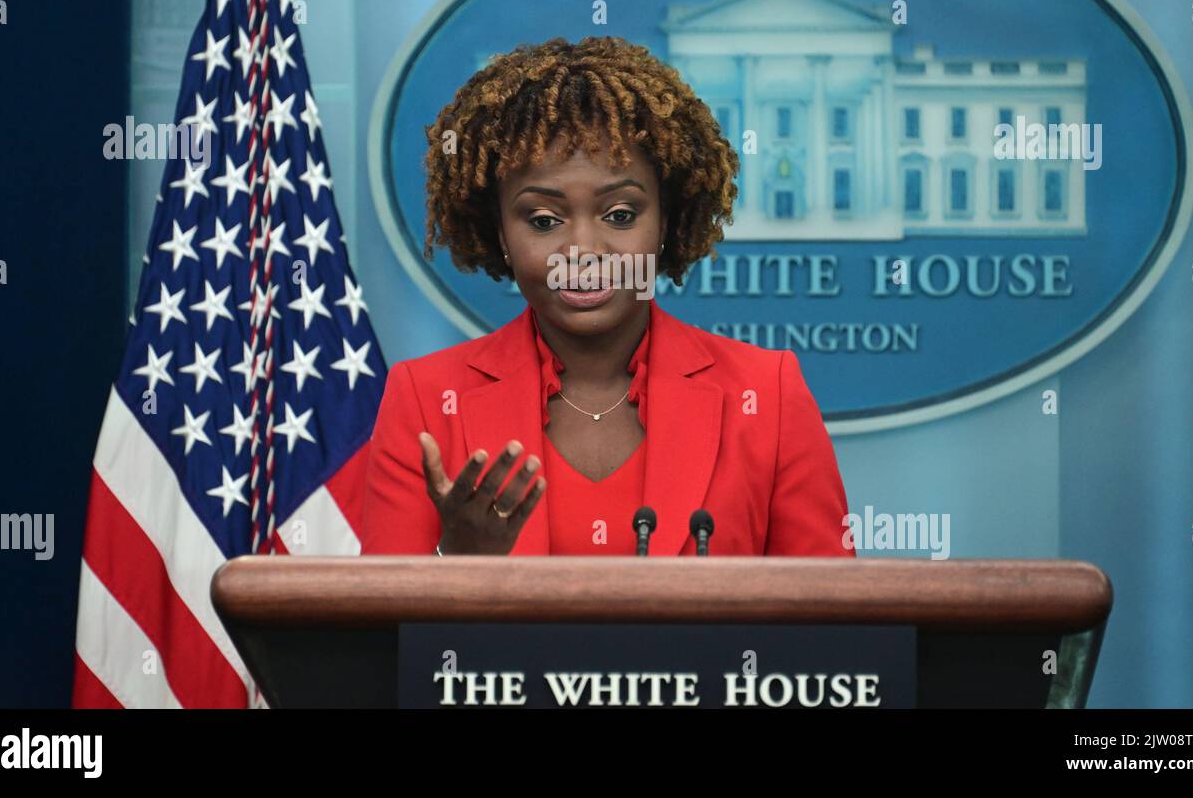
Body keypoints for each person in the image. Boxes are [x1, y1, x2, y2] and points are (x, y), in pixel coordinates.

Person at [361, 36, 854, 557]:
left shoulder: (768, 396)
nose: (583, 250)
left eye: (620, 215)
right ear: (501, 234)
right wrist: (457, 566)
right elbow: (382, 634)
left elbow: (831, 625)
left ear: (667, 221)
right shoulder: (423, 400)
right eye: (544, 220)